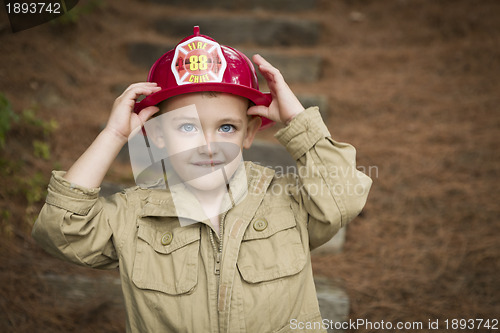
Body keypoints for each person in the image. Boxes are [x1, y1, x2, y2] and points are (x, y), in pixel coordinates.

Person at [32, 26, 372, 332]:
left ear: (249, 132)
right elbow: (61, 228)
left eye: (227, 127)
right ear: (159, 134)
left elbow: (343, 197)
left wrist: (298, 120)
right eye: (187, 127)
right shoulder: (135, 217)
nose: (208, 146)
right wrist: (113, 136)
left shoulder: (286, 202)